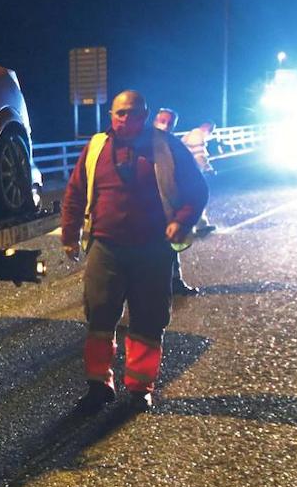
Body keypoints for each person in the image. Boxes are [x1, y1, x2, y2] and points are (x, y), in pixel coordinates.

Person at [62, 90, 208, 412]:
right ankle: (98, 385)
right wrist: (70, 234)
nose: (126, 120)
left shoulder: (166, 147)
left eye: (133, 113)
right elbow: (75, 191)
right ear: (111, 116)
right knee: (99, 314)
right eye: (120, 114)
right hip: (106, 246)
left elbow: (197, 190)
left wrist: (181, 222)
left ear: (145, 114)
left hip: (153, 249)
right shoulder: (97, 147)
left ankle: (140, 387)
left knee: (148, 318)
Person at [152, 108, 200, 296]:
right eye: (162, 119)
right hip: (148, 211)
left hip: (169, 209)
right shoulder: (144, 144)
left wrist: (183, 214)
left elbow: (191, 183)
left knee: (171, 250)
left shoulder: (175, 147)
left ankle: (174, 281)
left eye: (169, 122)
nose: (165, 124)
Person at [181, 121, 219, 236]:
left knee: (192, 199)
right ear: (208, 129)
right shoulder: (197, 136)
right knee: (198, 198)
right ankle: (198, 226)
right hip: (190, 172)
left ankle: (197, 225)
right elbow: (199, 155)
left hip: (186, 171)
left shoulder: (192, 134)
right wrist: (208, 168)